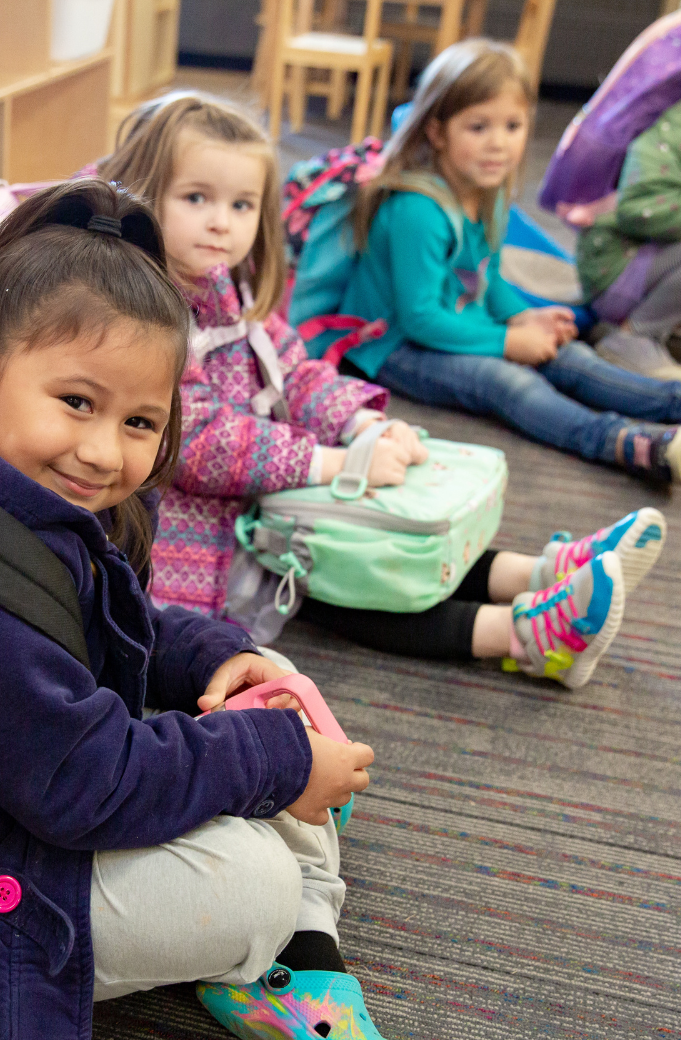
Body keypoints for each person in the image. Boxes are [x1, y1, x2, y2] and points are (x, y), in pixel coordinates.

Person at [0, 179, 432, 1040]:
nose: (106, 451)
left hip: (16, 787)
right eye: (77, 402)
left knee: (271, 684)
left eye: (140, 421)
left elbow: (111, 625)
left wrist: (226, 659)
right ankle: (277, 937)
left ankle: (296, 951)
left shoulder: (3, 488)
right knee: (254, 874)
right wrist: (275, 764)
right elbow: (82, 783)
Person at [98, 93, 663, 685]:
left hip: (262, 502)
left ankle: (542, 573)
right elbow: (200, 444)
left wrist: (357, 423)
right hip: (200, 543)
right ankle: (527, 636)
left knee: (384, 540)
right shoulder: (148, 314)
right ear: (144, 193)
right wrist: (333, 463)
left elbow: (295, 368)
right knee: (358, 579)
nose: (222, 221)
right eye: (196, 198)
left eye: (242, 205)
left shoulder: (224, 285)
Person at [327, 39, 681, 485]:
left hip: (456, 324)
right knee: (509, 382)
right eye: (478, 127)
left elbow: (485, 279)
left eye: (512, 126)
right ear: (437, 132)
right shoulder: (418, 209)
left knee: (572, 358)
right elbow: (419, 318)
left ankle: (672, 401)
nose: (498, 144)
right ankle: (624, 442)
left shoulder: (489, 194)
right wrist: (509, 342)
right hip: (394, 346)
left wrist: (524, 317)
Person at [576, 98, 681, 379]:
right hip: (617, 271)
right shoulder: (670, 130)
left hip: (653, 263)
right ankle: (632, 336)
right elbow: (639, 211)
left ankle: (662, 331)